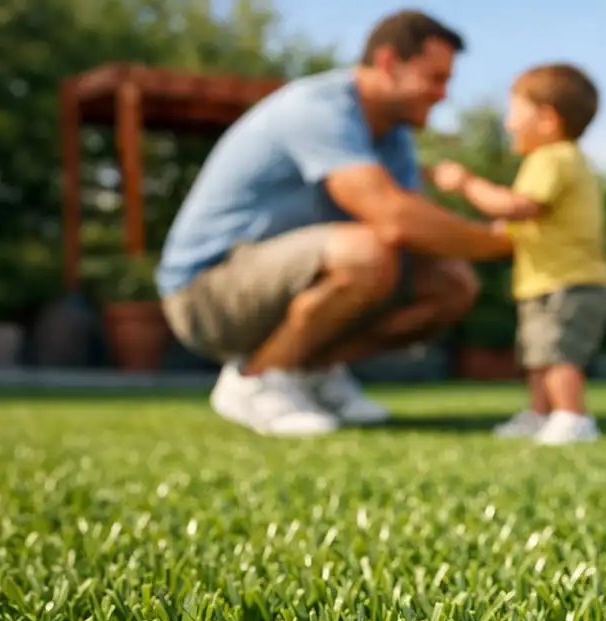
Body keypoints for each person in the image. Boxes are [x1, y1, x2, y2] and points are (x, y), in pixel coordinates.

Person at [158, 10, 510, 437]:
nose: (442, 94)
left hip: (285, 280)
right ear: (387, 63)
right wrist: (509, 241)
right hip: (205, 292)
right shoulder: (318, 107)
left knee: (451, 282)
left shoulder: (394, 137)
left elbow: (421, 229)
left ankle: (310, 370)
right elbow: (394, 218)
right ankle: (256, 380)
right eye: (434, 78)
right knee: (367, 252)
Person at [432, 63, 606, 445]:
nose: (509, 123)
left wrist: (466, 183)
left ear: (547, 119)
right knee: (539, 354)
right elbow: (527, 222)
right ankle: (540, 414)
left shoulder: (554, 157)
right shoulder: (558, 160)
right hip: (546, 281)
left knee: (559, 352)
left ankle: (573, 416)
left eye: (515, 111)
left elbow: (518, 207)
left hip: (568, 281)